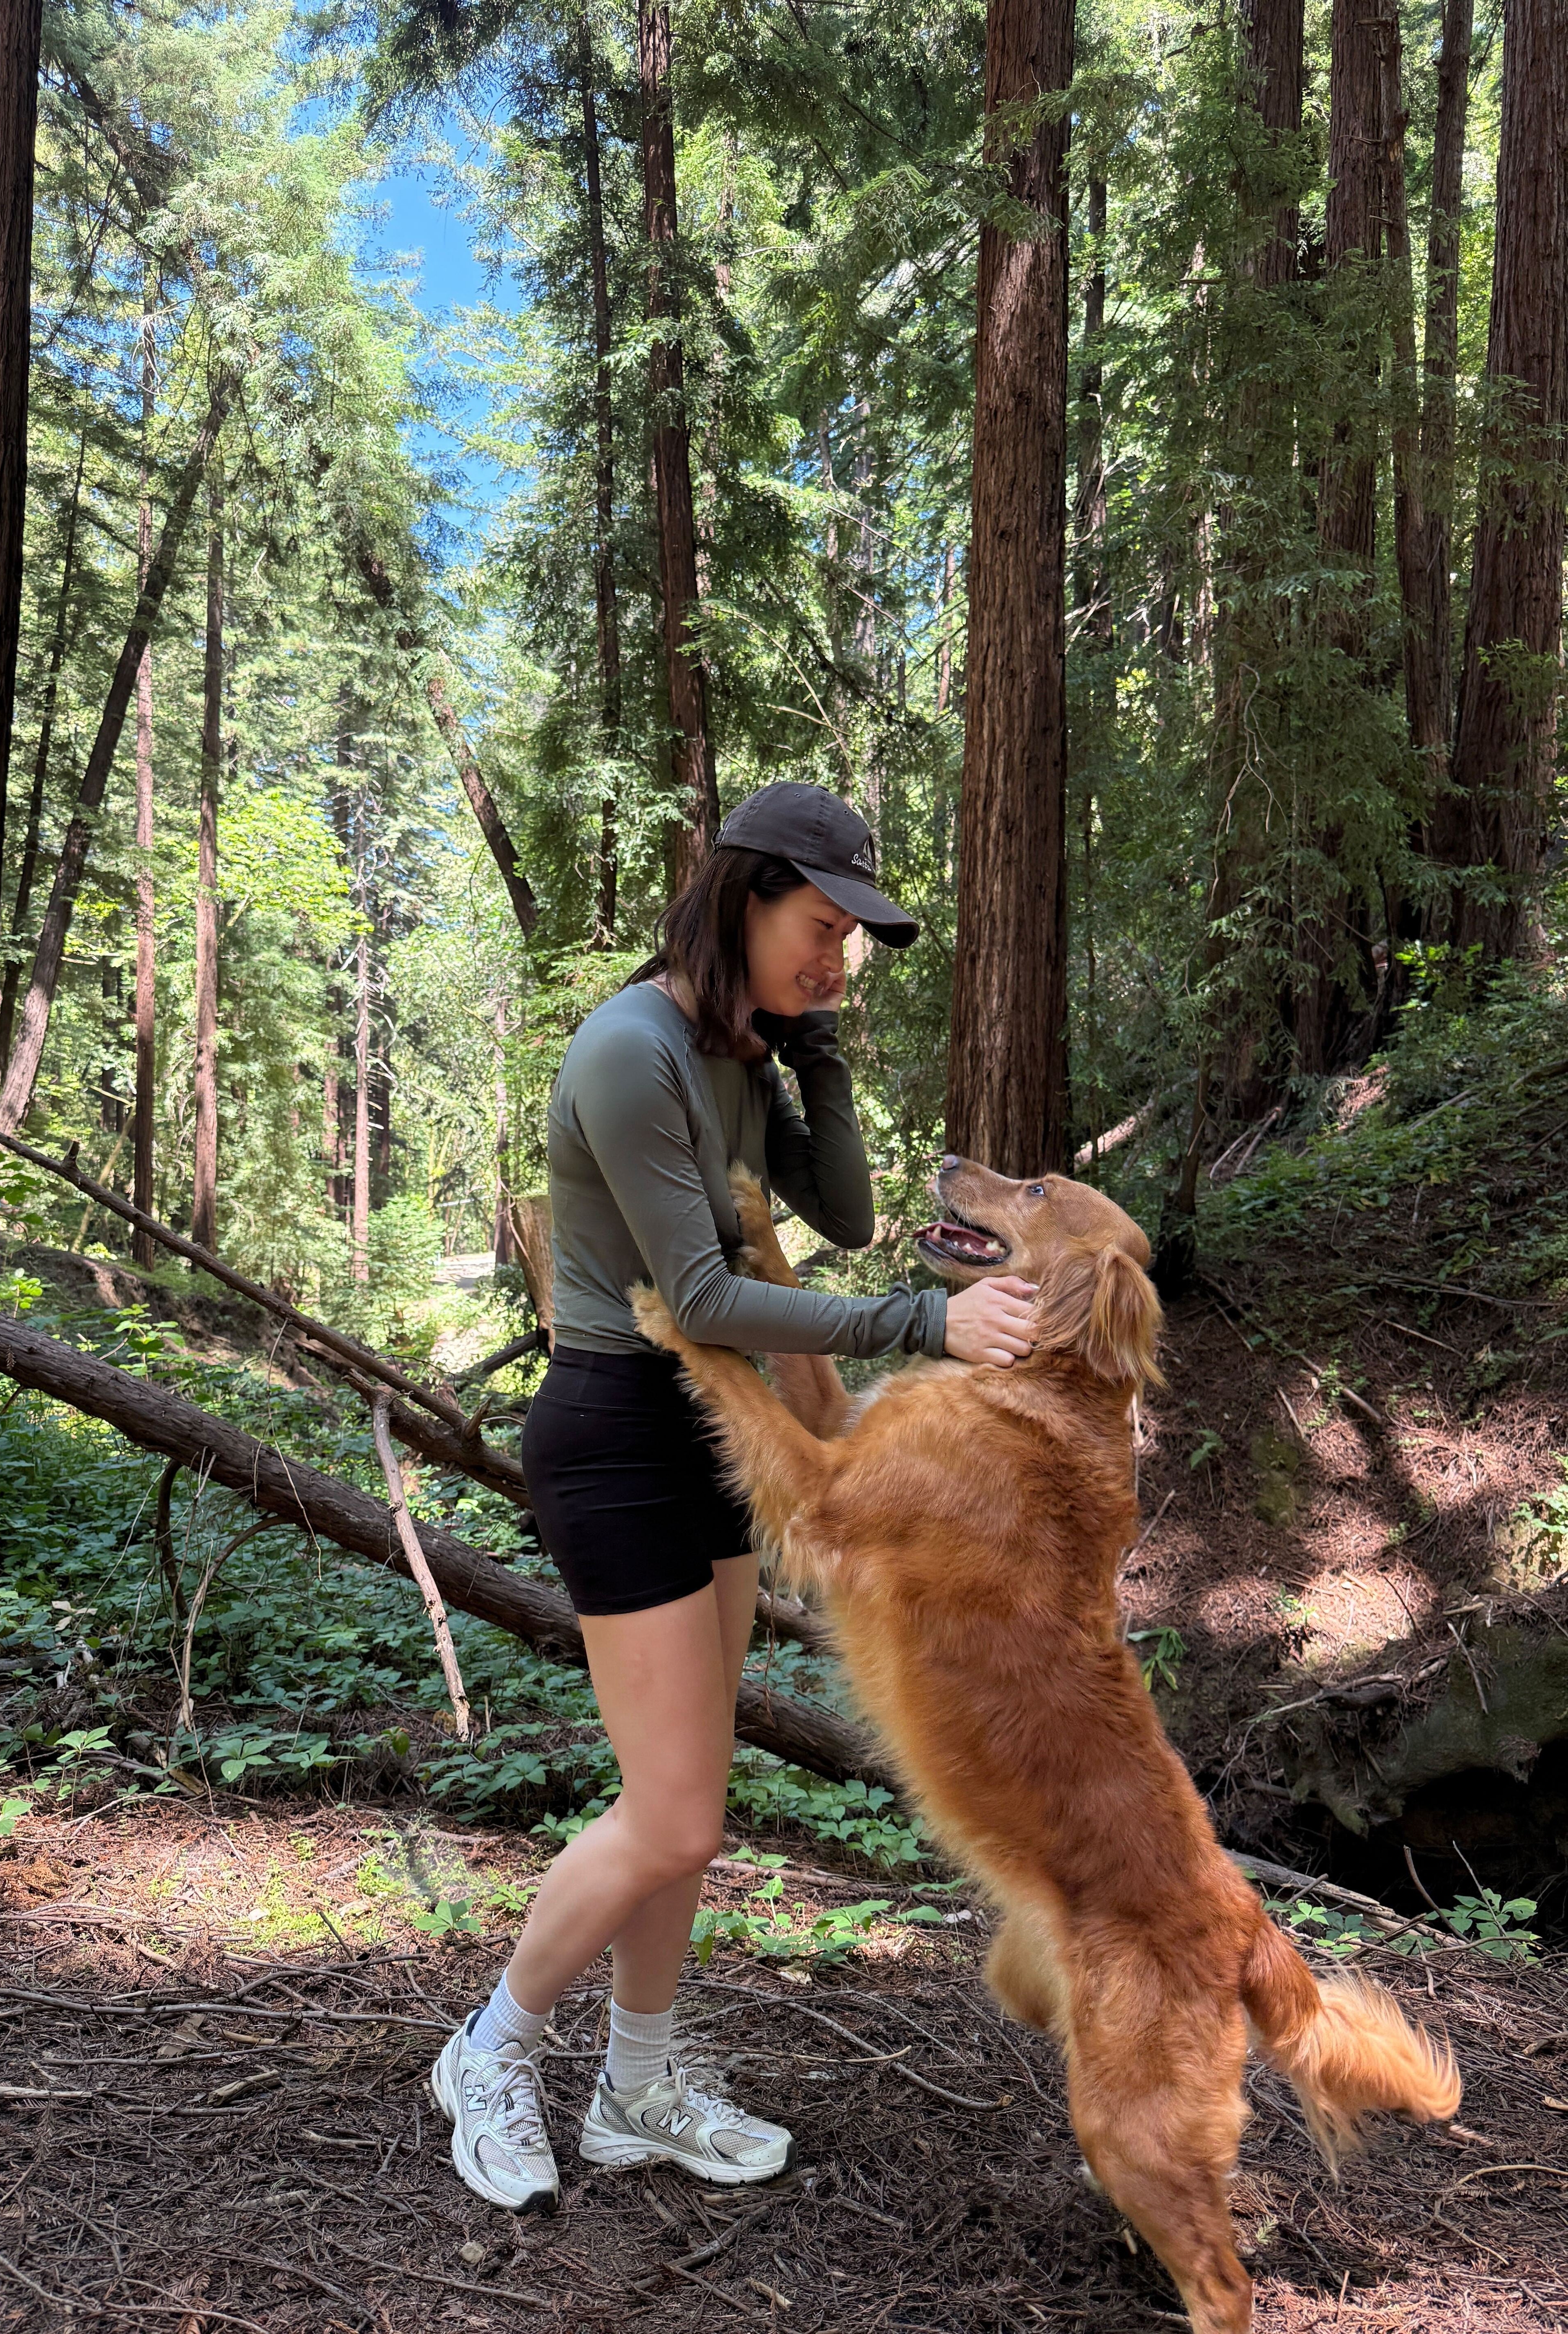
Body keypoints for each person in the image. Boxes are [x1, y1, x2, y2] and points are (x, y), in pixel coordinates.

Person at [430, 781, 1038, 2211]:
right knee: (676, 1816)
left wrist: (808, 1052)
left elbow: (837, 1213)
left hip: (714, 1432)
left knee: (685, 1799)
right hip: (620, 1431)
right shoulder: (633, 1048)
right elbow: (698, 1295)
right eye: (818, 927)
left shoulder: (729, 1049)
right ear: (743, 896)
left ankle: (636, 2087)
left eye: (848, 942)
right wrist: (925, 1326)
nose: (834, 957)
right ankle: (490, 2046)